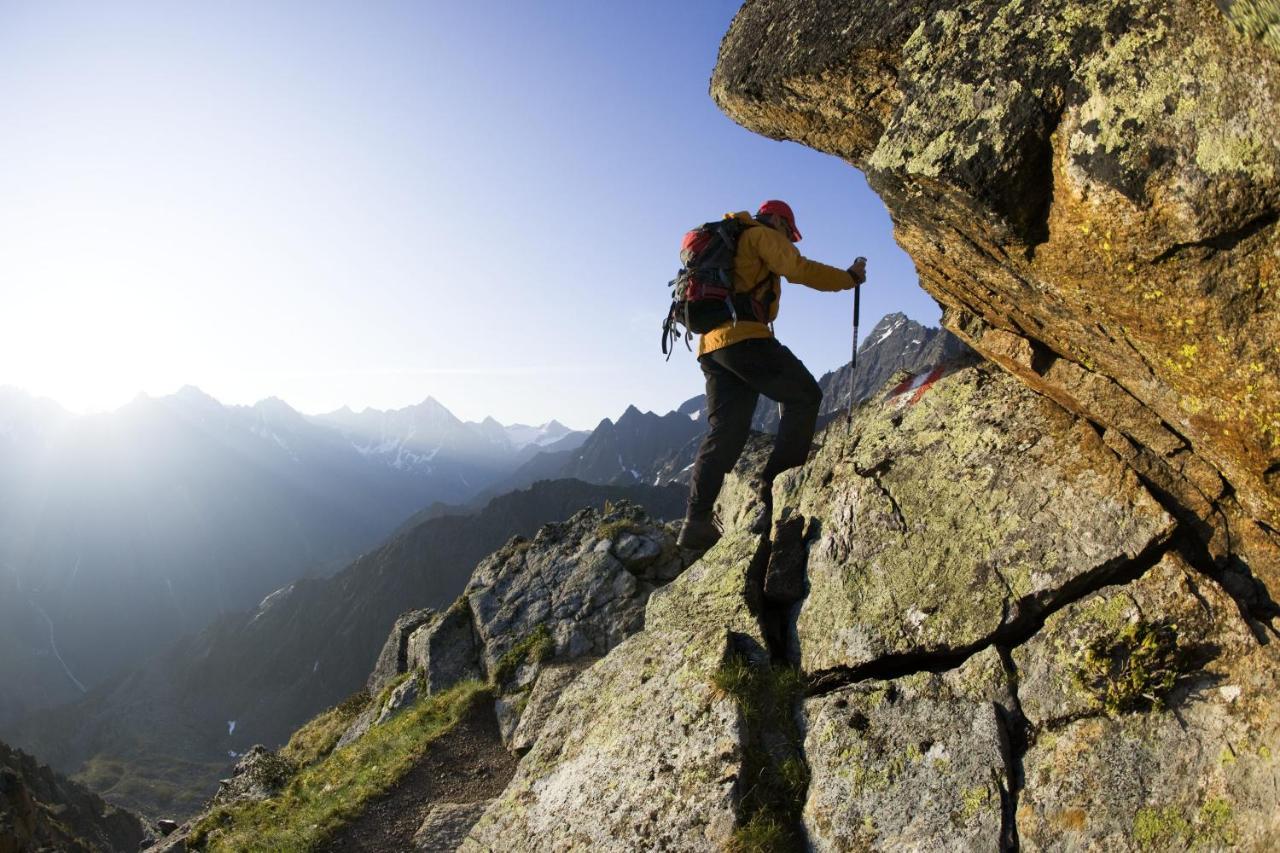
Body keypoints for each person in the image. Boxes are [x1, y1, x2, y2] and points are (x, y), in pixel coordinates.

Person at [677, 200, 866, 551]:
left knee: (726, 431)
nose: (790, 240)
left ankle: (695, 521)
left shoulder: (729, 239)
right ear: (779, 220)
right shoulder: (761, 235)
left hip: (712, 346)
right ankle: (774, 488)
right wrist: (849, 278)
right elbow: (799, 269)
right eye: (789, 233)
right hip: (745, 338)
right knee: (805, 396)